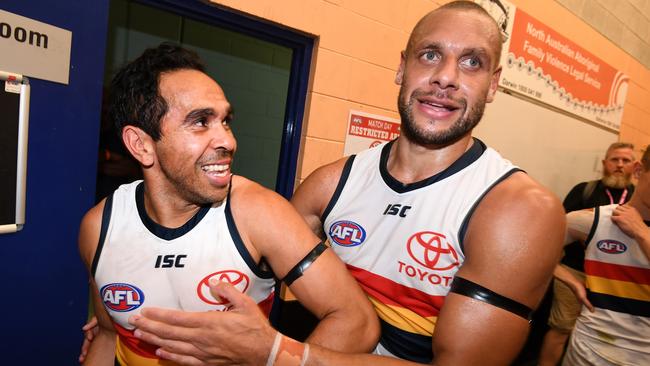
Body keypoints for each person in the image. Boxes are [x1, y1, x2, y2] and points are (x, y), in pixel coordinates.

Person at [124, 2, 567, 365]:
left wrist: (281, 353)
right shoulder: (331, 183)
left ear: (493, 85)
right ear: (402, 68)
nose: (446, 77)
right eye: (430, 55)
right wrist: (120, 319)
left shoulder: (518, 209)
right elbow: (243, 269)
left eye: (472, 63)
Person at [78, 43, 379, 365]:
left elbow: (357, 321)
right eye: (200, 121)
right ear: (141, 145)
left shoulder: (259, 213)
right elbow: (109, 335)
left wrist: (276, 356)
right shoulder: (99, 227)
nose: (228, 141)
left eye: (225, 121)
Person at [538, 142, 636, 366]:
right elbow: (554, 231)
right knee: (562, 328)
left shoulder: (638, 199)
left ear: (635, 166)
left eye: (626, 160)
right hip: (575, 271)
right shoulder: (585, 190)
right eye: (614, 160)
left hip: (615, 279)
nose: (619, 165)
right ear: (604, 163)